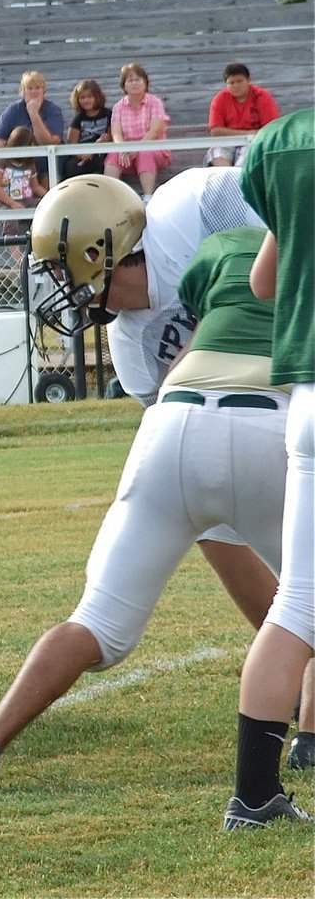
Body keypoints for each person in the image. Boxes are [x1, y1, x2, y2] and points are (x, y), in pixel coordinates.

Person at [0, 172, 301, 795]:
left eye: (62, 269)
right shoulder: (132, 339)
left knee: (99, 620)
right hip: (266, 420)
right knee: (305, 601)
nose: (59, 289)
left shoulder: (193, 209)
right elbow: (218, 520)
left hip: (176, 431)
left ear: (101, 248)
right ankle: (291, 742)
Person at [223, 106, 314, 829]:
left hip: (307, 398)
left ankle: (254, 796)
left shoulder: (283, 144)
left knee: (300, 604)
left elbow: (263, 281)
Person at [104, 62, 171, 201]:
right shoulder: (118, 106)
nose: (134, 83)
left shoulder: (155, 102)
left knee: (145, 153)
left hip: (152, 147)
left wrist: (138, 148)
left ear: (145, 83)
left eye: (138, 79)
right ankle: (109, 197)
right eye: (130, 80)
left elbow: (155, 130)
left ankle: (148, 197)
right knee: (113, 156)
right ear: (124, 85)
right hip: (127, 151)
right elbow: (116, 132)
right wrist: (122, 148)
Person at [0, 70, 64, 181]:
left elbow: (48, 142)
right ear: (23, 92)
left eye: (38, 88)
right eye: (30, 88)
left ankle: (46, 195)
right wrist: (0, 158)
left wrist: (33, 114)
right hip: (18, 155)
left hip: (46, 154)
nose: (34, 92)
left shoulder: (53, 110)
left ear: (44, 91)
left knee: (47, 161)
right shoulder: (13, 109)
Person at [0, 126, 47, 263]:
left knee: (42, 211)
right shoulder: (0, 161)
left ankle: (39, 252)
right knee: (10, 220)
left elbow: (35, 186)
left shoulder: (29, 163)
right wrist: (12, 203)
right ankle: (18, 258)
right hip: (4, 201)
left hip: (26, 199)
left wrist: (50, 197)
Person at [205, 63, 280, 167]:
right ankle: (225, 178)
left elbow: (271, 129)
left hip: (255, 141)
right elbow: (215, 131)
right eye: (231, 83)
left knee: (247, 158)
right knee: (216, 154)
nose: (235, 86)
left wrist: (251, 136)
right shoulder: (220, 99)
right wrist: (247, 133)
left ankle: (238, 179)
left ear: (249, 80)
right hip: (228, 141)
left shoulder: (262, 97)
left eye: (239, 81)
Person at [61, 78, 112, 180]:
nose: (86, 100)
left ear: (97, 97)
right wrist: (81, 155)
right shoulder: (79, 118)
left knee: (102, 164)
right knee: (71, 167)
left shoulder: (108, 114)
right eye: (82, 98)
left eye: (89, 97)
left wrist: (101, 142)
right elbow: (72, 143)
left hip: (102, 152)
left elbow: (111, 135)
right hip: (83, 153)